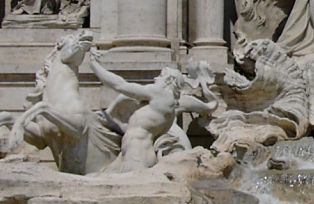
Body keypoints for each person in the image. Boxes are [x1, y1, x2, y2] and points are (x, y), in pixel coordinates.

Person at [88, 51, 218, 172]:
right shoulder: (169, 108)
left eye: (161, 76)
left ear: (169, 80)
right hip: (132, 154)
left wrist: (94, 65)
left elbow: (120, 85)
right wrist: (110, 123)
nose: (156, 79)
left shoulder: (161, 94)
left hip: (136, 156)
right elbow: (136, 128)